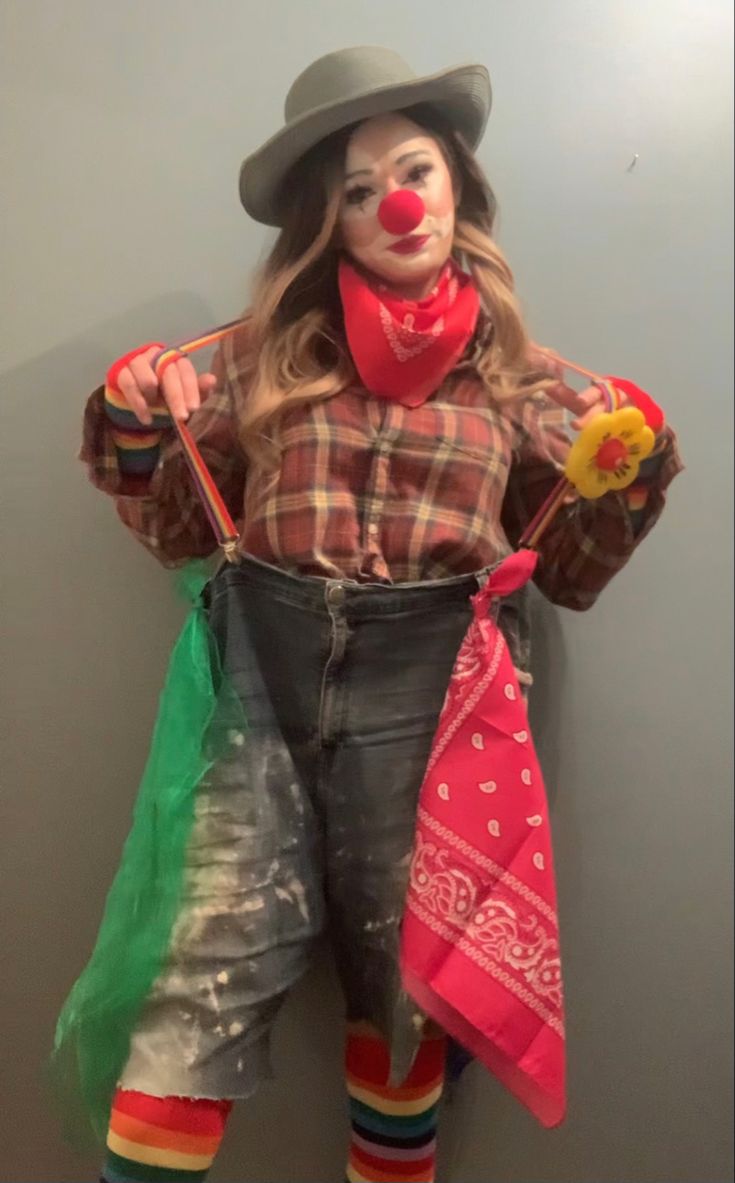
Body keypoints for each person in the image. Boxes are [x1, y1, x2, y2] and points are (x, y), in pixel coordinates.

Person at [68, 46, 681, 1183]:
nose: (396, 203)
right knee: (192, 996)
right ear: (328, 223)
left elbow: (572, 576)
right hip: (262, 695)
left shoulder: (529, 386)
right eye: (358, 190)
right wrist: (136, 411)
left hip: (436, 709)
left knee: (406, 1005)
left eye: (414, 170)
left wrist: (631, 467)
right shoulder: (256, 362)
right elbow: (182, 541)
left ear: (456, 186)